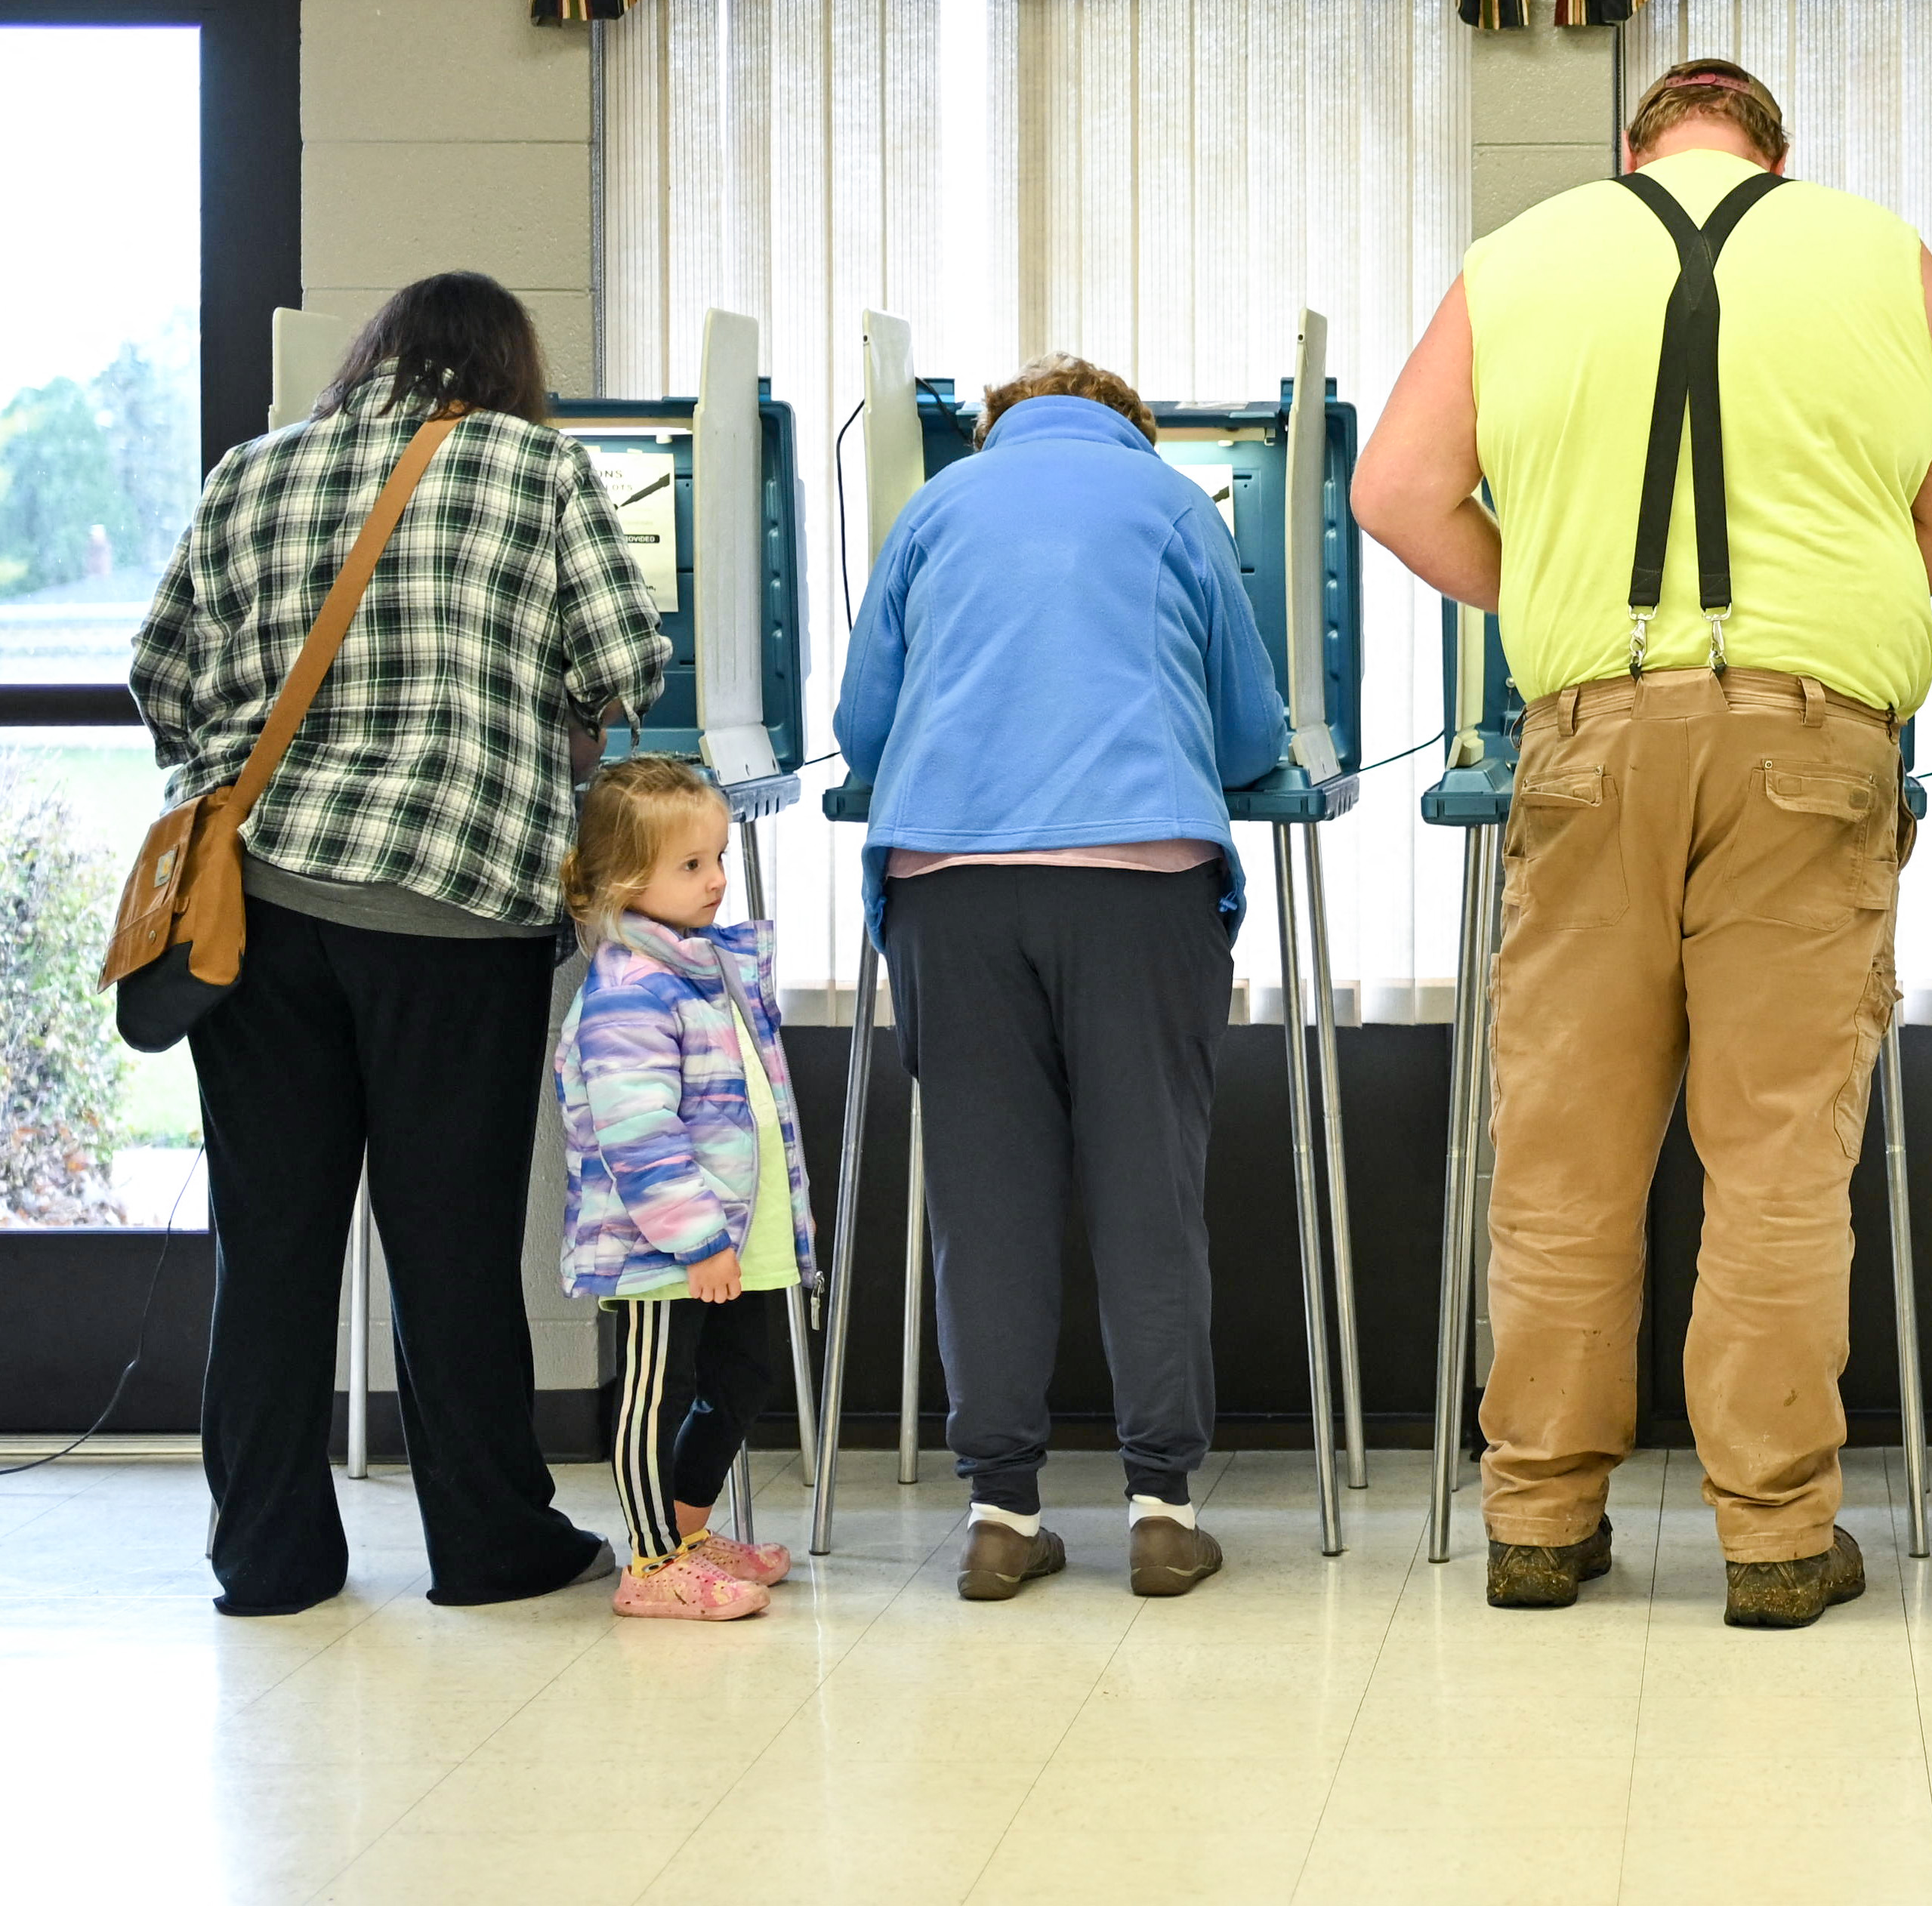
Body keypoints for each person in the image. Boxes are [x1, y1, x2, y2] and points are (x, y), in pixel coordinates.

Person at [1355, 57, 1932, 1629]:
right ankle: (1774, 1537)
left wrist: (1560, 599)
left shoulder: (1517, 256)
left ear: (1634, 149)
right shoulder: (1878, 247)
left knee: (1567, 1154)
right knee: (1778, 1156)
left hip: (1588, 735)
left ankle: (1537, 1517)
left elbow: (1395, 488)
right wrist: (1825, 613)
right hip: (1811, 741)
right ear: (1776, 156)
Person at [129, 270, 664, 1617]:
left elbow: (164, 668)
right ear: (505, 367)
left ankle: (268, 1556)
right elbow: (622, 660)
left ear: (372, 357)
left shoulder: (255, 468)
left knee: (272, 1243)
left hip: (261, 912)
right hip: (451, 908)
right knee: (451, 1238)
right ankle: (487, 1542)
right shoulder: (539, 469)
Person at [835, 353, 1286, 1603]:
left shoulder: (933, 508)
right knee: (1149, 1190)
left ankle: (998, 1509)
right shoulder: (1174, 506)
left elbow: (862, 724)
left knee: (983, 1203)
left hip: (950, 883)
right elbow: (1252, 729)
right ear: (1132, 429)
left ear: (996, 427)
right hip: (1139, 880)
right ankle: (1159, 1508)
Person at [553, 756, 815, 1621]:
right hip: (660, 1250)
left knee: (743, 1376)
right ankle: (650, 1562)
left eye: (717, 857)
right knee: (652, 1397)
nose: (717, 878)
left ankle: (687, 1532)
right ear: (627, 880)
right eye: (691, 864)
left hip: (730, 1243)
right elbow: (641, 1135)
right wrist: (696, 1235)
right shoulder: (630, 989)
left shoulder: (705, 968)